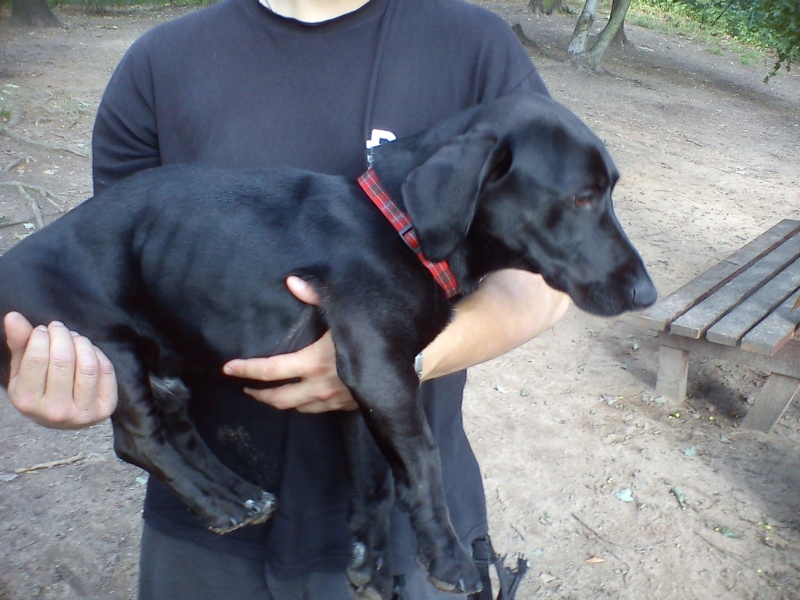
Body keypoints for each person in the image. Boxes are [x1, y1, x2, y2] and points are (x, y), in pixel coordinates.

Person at [3, 0, 571, 597]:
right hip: (207, 528)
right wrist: (70, 381)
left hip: (410, 525)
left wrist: (393, 362)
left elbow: (548, 278)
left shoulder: (472, 47)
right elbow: (117, 297)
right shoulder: (158, 65)